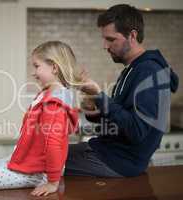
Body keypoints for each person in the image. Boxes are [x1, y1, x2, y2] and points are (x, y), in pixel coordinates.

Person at [64, 4, 179, 178]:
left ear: (132, 36)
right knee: (41, 154)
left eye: (111, 39)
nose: (105, 46)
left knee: (39, 162)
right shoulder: (132, 68)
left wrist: (100, 96)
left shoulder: (149, 71)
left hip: (118, 162)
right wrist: (94, 105)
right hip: (106, 151)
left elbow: (137, 131)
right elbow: (121, 118)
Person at [0, 41, 83, 199]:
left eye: (36, 66)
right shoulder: (47, 94)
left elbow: (54, 144)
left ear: (54, 67)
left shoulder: (54, 104)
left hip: (36, 171)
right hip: (28, 164)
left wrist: (52, 182)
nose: (33, 72)